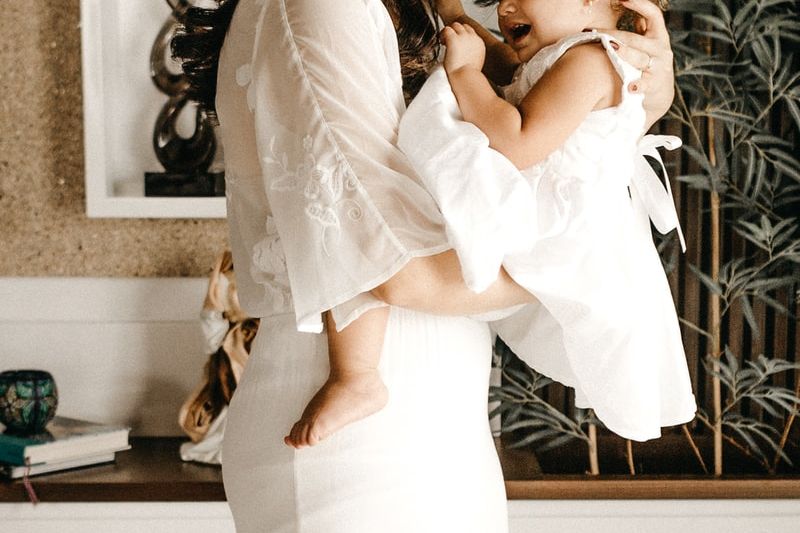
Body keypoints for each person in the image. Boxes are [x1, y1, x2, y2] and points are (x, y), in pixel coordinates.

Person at [173, 0, 678, 530]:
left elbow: (527, 141)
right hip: (360, 446)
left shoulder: (413, 10)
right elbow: (399, 273)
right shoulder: (325, 8)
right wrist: (582, 265)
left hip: (435, 428)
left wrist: (637, 104)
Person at [284, 0, 696, 448]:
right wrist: (453, 14)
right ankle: (356, 375)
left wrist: (463, 75)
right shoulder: (566, 52)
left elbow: (518, 140)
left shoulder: (593, 62)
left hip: (558, 231)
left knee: (370, 248)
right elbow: (506, 68)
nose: (505, 7)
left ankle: (357, 376)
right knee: (368, 235)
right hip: (530, 209)